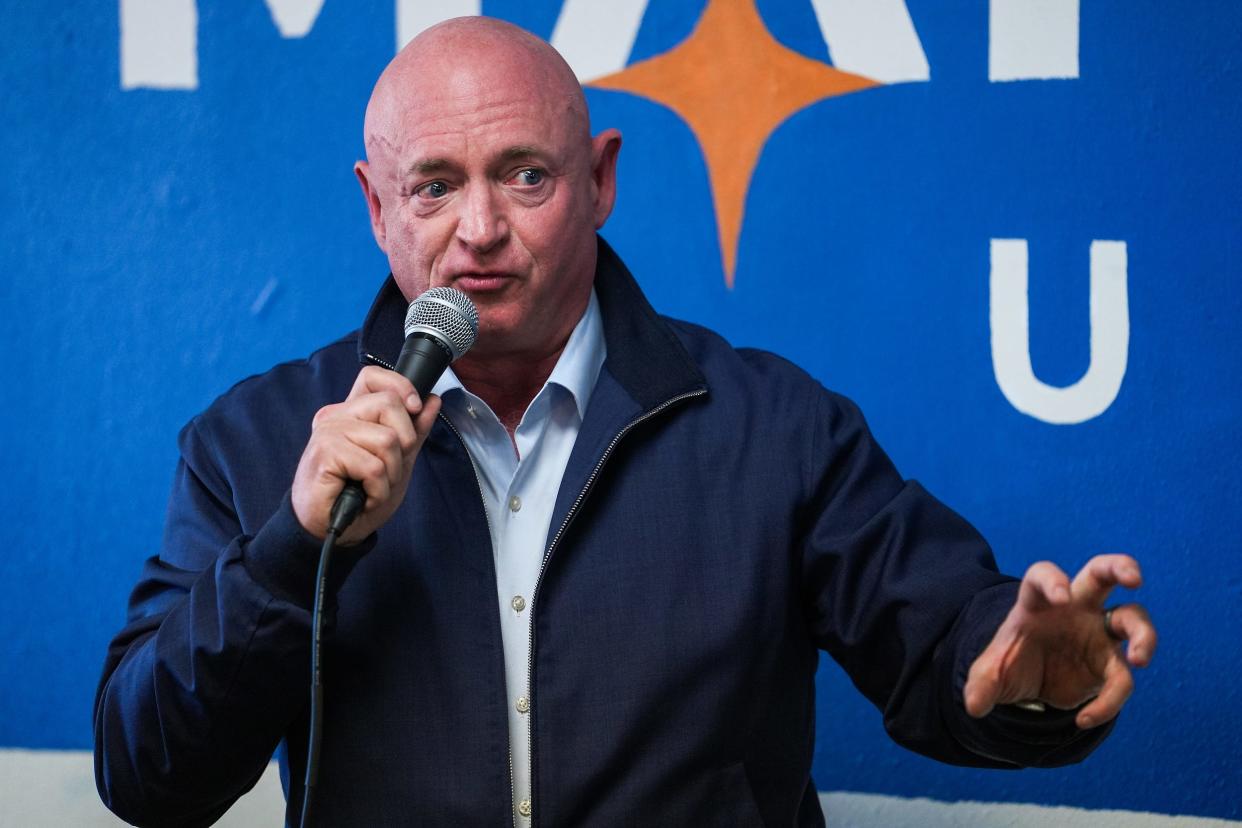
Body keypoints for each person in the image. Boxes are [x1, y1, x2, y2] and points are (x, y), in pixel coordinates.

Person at [93, 16, 1157, 828]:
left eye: (525, 175)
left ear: (598, 181)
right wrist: (290, 552)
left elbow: (944, 643)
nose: (480, 231)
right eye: (433, 187)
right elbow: (148, 776)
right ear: (378, 208)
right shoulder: (257, 439)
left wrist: (1025, 687)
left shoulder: (772, 424)